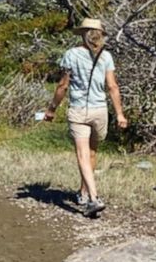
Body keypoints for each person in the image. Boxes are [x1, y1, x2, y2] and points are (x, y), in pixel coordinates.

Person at [44, 18, 128, 217]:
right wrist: (119, 114)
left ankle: (93, 197)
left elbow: (63, 86)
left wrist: (52, 108)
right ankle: (83, 192)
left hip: (79, 110)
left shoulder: (71, 55)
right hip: (100, 111)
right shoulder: (106, 56)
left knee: (82, 155)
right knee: (91, 153)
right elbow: (113, 87)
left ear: (83, 34)